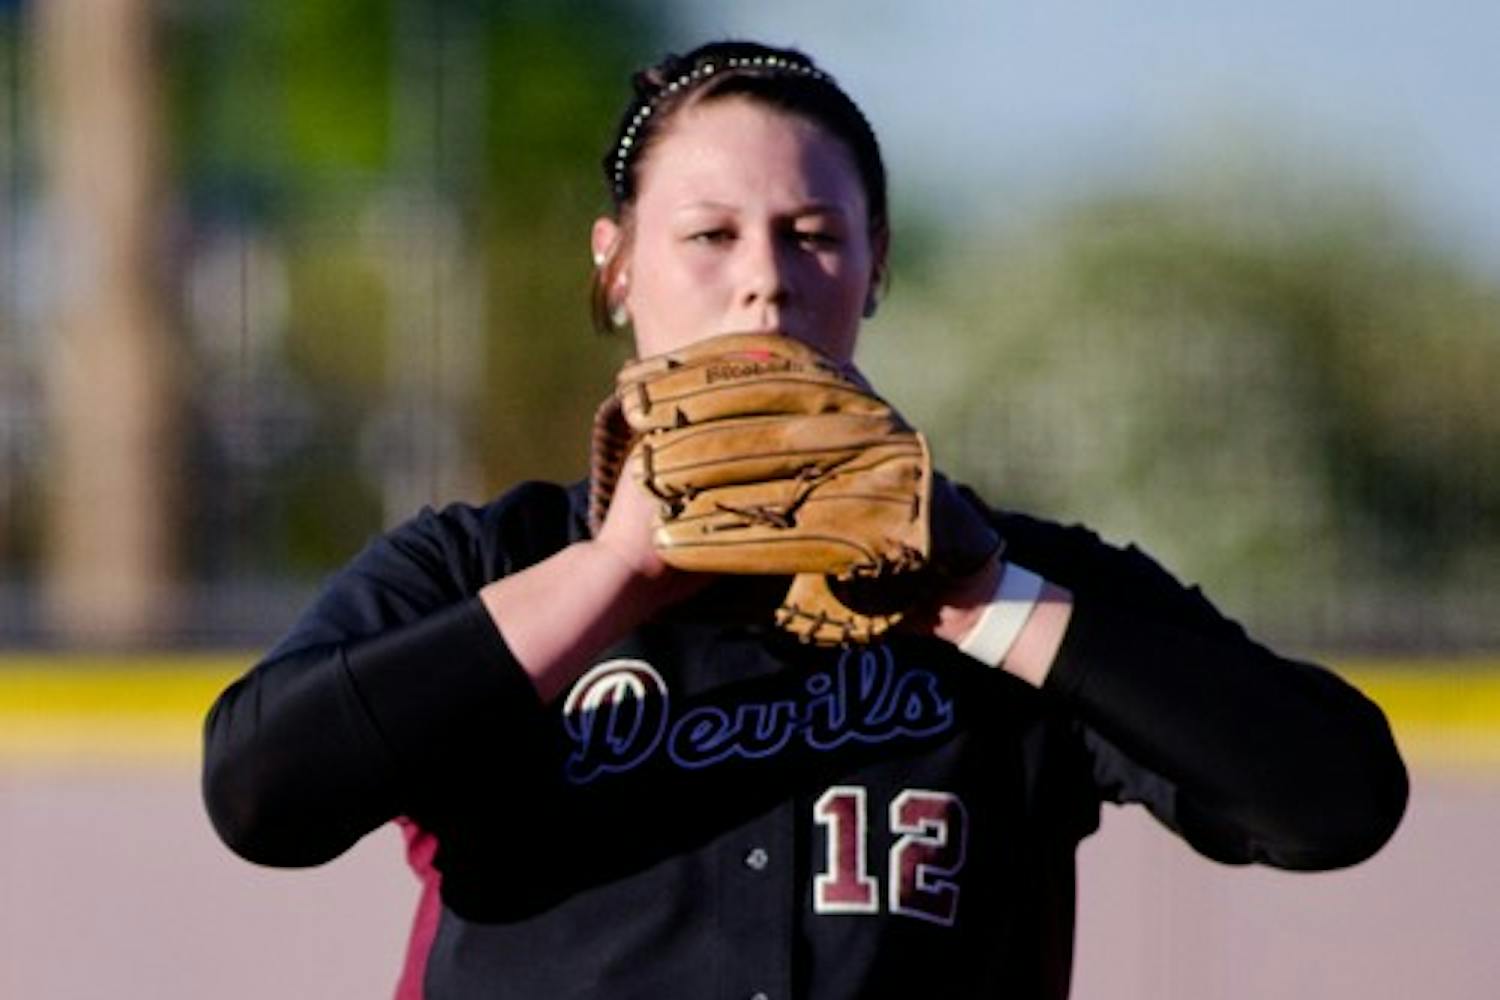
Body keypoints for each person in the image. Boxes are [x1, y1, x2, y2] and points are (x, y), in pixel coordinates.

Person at [202, 40, 1408, 1000]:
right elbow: (263, 794)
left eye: (814, 234)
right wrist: (619, 570)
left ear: (874, 264)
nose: (765, 278)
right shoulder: (490, 562)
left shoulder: (1014, 581)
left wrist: (982, 600)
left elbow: (1334, 800)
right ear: (617, 265)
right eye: (711, 234)